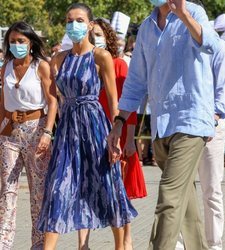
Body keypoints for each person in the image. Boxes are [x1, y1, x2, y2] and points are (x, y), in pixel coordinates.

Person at [107, 0, 220, 249]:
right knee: (185, 205)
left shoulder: (194, 12)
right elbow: (136, 80)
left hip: (191, 122)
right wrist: (119, 122)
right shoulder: (147, 27)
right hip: (161, 125)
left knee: (169, 196)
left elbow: (214, 48)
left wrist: (184, 16)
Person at [37, 3, 137, 250]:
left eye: (80, 20)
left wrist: (116, 137)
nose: (74, 25)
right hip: (68, 130)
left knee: (106, 186)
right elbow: (52, 101)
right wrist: (48, 133)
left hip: (95, 127)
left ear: (90, 25)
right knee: (58, 188)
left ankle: (120, 246)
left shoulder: (100, 56)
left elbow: (114, 103)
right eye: (70, 20)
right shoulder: (58, 58)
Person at [0, 21, 57, 249]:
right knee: (6, 189)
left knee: (38, 193)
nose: (17, 45)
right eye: (13, 41)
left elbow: (52, 101)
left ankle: (39, 244)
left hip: (36, 129)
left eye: (21, 41)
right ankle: (3, 242)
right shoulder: (5, 68)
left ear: (30, 43)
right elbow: (3, 102)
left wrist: (47, 132)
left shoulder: (40, 66)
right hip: (10, 132)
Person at [93, 18, 147, 250]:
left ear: (108, 36)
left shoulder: (118, 64)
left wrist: (131, 138)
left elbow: (129, 104)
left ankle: (126, 241)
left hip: (119, 132)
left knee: (120, 191)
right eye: (91, 34)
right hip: (95, 132)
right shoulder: (85, 64)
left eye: (98, 34)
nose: (94, 38)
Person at [181, 38, 225, 250]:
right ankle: (179, 243)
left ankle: (214, 245)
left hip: (212, 127)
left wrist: (212, 120)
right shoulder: (176, 45)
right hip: (183, 126)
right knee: (180, 190)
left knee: (211, 190)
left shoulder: (218, 46)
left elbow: (223, 91)